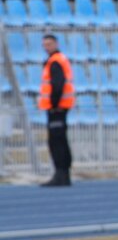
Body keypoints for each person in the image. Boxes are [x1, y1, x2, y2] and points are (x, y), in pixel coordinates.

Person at [38, 34, 75, 187]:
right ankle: (63, 175)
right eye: (45, 44)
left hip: (57, 109)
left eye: (49, 44)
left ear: (56, 44)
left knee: (56, 142)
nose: (47, 47)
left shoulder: (55, 62)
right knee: (60, 140)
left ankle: (61, 174)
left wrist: (53, 104)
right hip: (60, 107)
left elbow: (57, 85)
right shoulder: (58, 60)